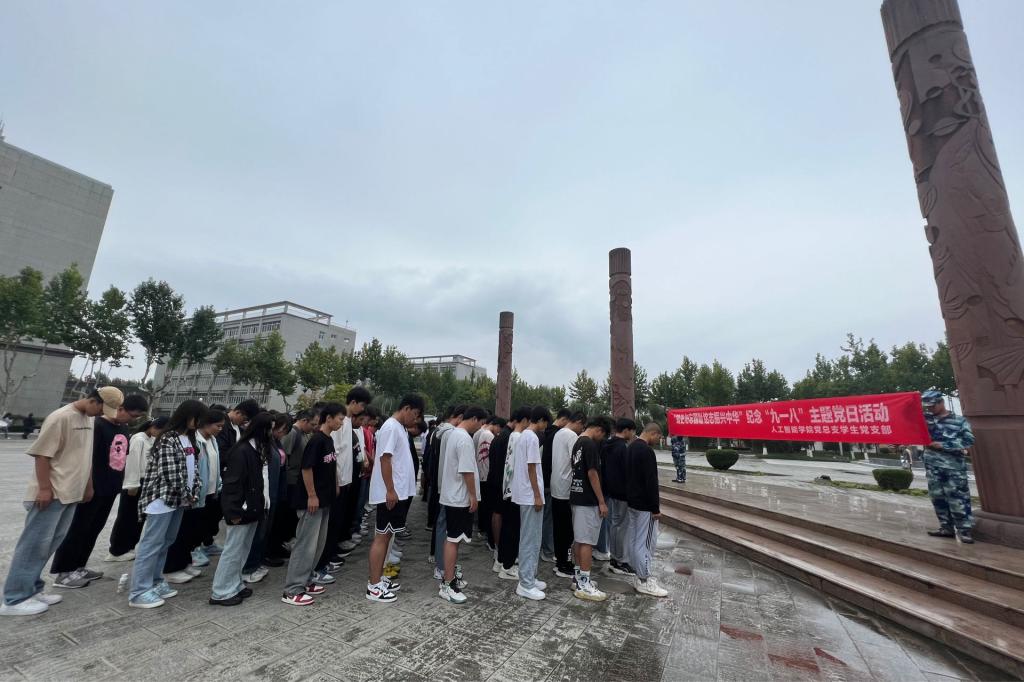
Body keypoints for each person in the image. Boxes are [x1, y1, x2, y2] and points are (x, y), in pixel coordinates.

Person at [0, 389, 122, 616]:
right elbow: (42, 455)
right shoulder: (61, 417)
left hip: (71, 493)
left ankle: (33, 589)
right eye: (101, 409)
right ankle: (14, 598)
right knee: (34, 545)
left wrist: (88, 485)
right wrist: (44, 488)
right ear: (93, 400)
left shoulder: (88, 420)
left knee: (49, 544)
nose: (100, 414)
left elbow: (85, 458)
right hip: (53, 492)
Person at [51, 392, 147, 587]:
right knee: (78, 528)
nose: (133, 420)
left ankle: (79, 566)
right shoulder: (98, 425)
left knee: (94, 529)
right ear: (121, 408)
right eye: (133, 415)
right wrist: (87, 486)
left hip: (111, 488)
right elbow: (87, 458)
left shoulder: (123, 427)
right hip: (93, 487)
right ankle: (64, 571)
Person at [128, 400, 207, 609]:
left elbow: (194, 469)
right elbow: (169, 472)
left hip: (180, 500)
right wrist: (187, 493)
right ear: (187, 415)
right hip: (162, 499)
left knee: (166, 541)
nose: (199, 423)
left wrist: (194, 491)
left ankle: (155, 581)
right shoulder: (168, 438)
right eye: (198, 418)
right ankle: (139, 591)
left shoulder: (189, 439)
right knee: (151, 544)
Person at [211, 412, 277, 606]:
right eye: (270, 429)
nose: (272, 434)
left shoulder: (257, 449)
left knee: (243, 550)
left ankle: (235, 584)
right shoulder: (242, 451)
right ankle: (221, 591)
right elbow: (232, 483)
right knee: (233, 551)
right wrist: (233, 511)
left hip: (254, 508)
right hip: (241, 510)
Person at [282, 403, 345, 606]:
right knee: (305, 545)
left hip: (325, 500)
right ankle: (293, 589)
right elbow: (306, 468)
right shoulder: (316, 440)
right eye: (340, 419)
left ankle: (307, 580)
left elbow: (330, 466)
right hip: (312, 502)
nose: (341, 423)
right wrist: (311, 495)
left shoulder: (328, 440)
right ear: (329, 418)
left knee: (318, 544)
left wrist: (335, 485)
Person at [366, 394, 424, 603]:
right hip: (390, 493)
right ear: (406, 408)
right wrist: (390, 490)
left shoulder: (400, 428)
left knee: (388, 536)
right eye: (415, 414)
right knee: (382, 537)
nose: (415, 420)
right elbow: (385, 459)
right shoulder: (391, 427)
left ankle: (379, 578)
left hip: (398, 492)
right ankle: (373, 585)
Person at [161, 409, 225, 583]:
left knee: (194, 532)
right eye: (218, 426)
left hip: (209, 493)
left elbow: (215, 465)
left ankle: (185, 562)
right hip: (194, 494)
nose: (220, 429)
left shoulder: (212, 440)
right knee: (182, 532)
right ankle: (172, 568)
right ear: (205, 423)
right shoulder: (193, 440)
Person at [319, 387, 371, 575]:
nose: (362, 410)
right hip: (337, 482)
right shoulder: (339, 423)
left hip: (346, 481)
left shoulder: (348, 422)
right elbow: (334, 454)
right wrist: (337, 480)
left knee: (338, 522)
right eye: (362, 405)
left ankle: (332, 552)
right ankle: (325, 558)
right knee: (331, 523)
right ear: (353, 402)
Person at [438, 406, 487, 603]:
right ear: (474, 418)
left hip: (453, 495)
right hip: (459, 497)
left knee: (453, 539)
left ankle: (449, 577)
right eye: (481, 423)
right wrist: (473, 496)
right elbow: (467, 471)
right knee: (454, 539)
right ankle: (447, 584)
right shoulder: (464, 438)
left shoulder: (455, 434)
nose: (481, 427)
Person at [107, 416, 168, 560]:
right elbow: (132, 462)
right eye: (161, 432)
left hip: (146, 482)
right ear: (154, 427)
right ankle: (116, 550)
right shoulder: (138, 439)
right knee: (126, 517)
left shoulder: (151, 439)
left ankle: (129, 546)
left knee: (138, 518)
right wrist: (132, 484)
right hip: (135, 483)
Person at [921, 390, 977, 544]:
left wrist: (944, 445)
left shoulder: (959, 421)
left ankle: (964, 531)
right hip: (932, 467)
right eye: (927, 407)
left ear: (941, 402)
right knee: (937, 498)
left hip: (953, 468)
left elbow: (969, 440)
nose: (930, 409)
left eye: (932, 406)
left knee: (958, 499)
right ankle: (946, 528)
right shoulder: (926, 420)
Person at [206, 399, 259, 557]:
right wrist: (239, 456)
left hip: (229, 476)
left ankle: (208, 542)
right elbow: (221, 452)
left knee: (216, 514)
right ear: (238, 412)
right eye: (244, 418)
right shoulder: (223, 426)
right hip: (219, 475)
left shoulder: (237, 428)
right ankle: (200, 545)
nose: (244, 422)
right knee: (209, 513)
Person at [570, 417, 613, 601]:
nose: (601, 439)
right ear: (599, 430)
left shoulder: (578, 442)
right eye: (603, 435)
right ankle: (584, 584)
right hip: (588, 499)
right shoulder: (589, 445)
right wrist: (601, 501)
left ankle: (578, 577)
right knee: (587, 541)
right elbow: (592, 473)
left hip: (577, 495)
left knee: (579, 539)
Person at [512, 406, 552, 601]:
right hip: (530, 495)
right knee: (530, 539)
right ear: (542, 420)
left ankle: (529, 577)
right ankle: (526, 583)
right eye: (546, 423)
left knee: (531, 538)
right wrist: (537, 495)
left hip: (525, 494)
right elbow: (531, 468)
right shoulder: (532, 438)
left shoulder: (523, 436)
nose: (546, 427)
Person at [626, 423, 669, 597]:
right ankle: (644, 580)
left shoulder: (631, 447)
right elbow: (651, 481)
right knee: (645, 543)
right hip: (645, 505)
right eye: (658, 437)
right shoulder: (646, 451)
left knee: (635, 540)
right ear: (653, 433)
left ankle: (638, 576)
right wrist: (655, 508)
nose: (658, 441)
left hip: (632, 502)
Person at [551, 411, 586, 579]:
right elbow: (576, 461)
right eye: (582, 426)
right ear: (578, 421)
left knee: (559, 529)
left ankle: (560, 560)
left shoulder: (558, 433)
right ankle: (564, 564)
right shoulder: (572, 436)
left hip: (556, 485)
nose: (582, 430)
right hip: (566, 488)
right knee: (567, 531)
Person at [497, 406, 531, 580]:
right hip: (516, 490)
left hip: (508, 488)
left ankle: (502, 561)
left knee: (507, 527)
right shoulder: (520, 438)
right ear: (524, 420)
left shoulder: (512, 435)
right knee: (513, 529)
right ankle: (508, 566)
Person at [604, 418, 637, 574]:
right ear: (626, 430)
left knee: (615, 524)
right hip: (622, 493)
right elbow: (628, 472)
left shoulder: (607, 444)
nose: (633, 435)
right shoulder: (623, 447)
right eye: (633, 431)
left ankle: (614, 557)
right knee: (621, 526)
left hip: (610, 491)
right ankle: (619, 561)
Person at [540, 409, 571, 562]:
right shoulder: (557, 435)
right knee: (549, 518)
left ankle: (545, 548)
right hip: (551, 482)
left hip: (543, 480)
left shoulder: (544, 433)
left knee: (544, 517)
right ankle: (547, 550)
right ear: (564, 420)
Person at [475, 417, 503, 550]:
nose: (499, 432)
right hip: (486, 474)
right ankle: (486, 531)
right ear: (495, 425)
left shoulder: (481, 433)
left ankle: (483, 529)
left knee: (484, 506)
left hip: (482, 473)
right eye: (499, 429)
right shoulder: (488, 435)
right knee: (487, 507)